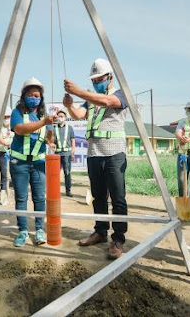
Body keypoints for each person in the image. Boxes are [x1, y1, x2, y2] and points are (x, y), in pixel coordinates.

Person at [63, 58, 129, 260]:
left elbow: (107, 102)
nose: (96, 82)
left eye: (99, 79)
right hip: (94, 154)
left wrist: (79, 92)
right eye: (94, 80)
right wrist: (70, 106)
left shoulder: (119, 94)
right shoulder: (90, 100)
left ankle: (118, 238)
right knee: (98, 196)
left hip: (114, 154)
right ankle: (100, 231)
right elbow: (79, 114)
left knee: (117, 198)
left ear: (109, 77)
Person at [10, 77, 56, 247]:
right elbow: (19, 129)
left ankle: (39, 230)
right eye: (30, 95)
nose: (33, 98)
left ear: (41, 97)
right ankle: (22, 231)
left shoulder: (44, 115)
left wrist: (51, 140)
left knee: (39, 198)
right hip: (19, 163)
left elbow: (48, 137)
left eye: (37, 95)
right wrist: (44, 122)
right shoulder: (17, 113)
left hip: (38, 164)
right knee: (21, 198)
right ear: (24, 96)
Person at [53, 109, 76, 197]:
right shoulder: (53, 128)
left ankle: (68, 191)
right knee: (55, 174)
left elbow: (73, 140)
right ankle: (55, 191)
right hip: (57, 154)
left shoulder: (69, 128)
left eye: (62, 116)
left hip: (67, 154)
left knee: (67, 173)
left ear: (65, 118)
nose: (60, 118)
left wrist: (73, 152)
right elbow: (50, 140)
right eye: (59, 116)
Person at [0, 106, 14, 205]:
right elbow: (0, 139)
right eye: (4, 117)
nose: (6, 119)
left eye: (8, 117)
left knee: (13, 174)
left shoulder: (13, 127)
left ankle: (11, 194)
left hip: (13, 154)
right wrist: (7, 144)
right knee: (4, 175)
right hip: (3, 153)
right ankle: (3, 195)